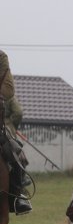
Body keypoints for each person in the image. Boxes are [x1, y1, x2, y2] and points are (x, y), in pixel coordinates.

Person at [0, 51, 32, 214]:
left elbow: (17, 111)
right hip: (6, 126)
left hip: (3, 126)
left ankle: (18, 192)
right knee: (15, 152)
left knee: (15, 150)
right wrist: (13, 126)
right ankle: (19, 195)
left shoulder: (1, 57)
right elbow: (18, 113)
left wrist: (10, 127)